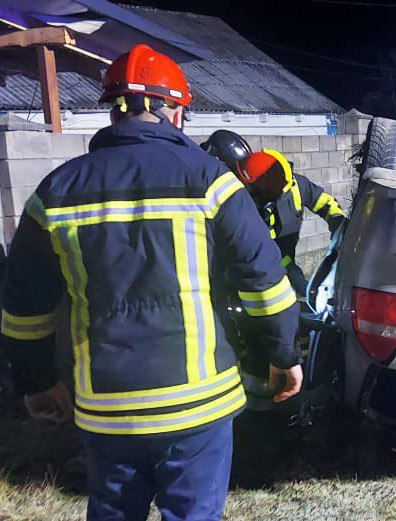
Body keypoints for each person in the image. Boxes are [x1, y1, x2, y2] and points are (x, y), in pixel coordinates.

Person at [0, 44, 301, 521]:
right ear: (176, 111)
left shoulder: (54, 193)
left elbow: (24, 308)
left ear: (113, 110)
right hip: (197, 405)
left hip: (106, 408)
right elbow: (264, 284)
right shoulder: (212, 181)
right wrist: (284, 357)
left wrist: (37, 382)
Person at [236, 149, 346, 295]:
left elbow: (326, 203)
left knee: (297, 287)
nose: (250, 190)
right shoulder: (248, 198)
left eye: (254, 186)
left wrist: (340, 227)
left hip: (283, 256)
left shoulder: (299, 187)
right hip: (256, 260)